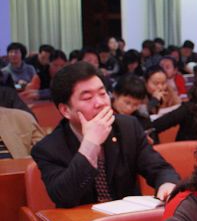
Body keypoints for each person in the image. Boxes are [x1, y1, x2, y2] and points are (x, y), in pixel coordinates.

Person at [31, 62, 179, 207]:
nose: (100, 103)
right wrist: (90, 145)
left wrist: (167, 184)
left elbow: (160, 168)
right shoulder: (49, 148)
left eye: (102, 94)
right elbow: (64, 197)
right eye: (88, 98)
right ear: (65, 110)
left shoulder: (128, 127)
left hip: (125, 218)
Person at [112, 74, 155, 142]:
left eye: (136, 104)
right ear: (115, 95)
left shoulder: (142, 118)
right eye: (127, 102)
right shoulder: (104, 118)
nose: (129, 108)